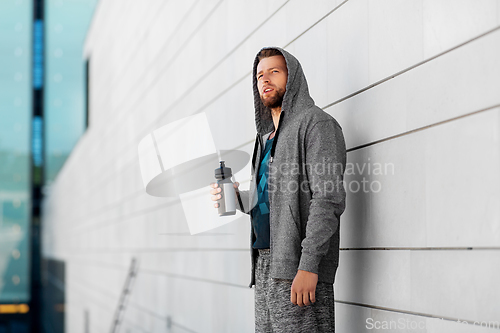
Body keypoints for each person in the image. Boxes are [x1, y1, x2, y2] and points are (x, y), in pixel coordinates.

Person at [210, 47, 346, 333]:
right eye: (260, 75)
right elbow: (270, 202)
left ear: (292, 77)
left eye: (274, 71)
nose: (265, 79)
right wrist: (236, 197)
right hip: (263, 264)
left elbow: (328, 199)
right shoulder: (265, 139)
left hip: (298, 263)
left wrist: (309, 265)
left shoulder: (316, 124)